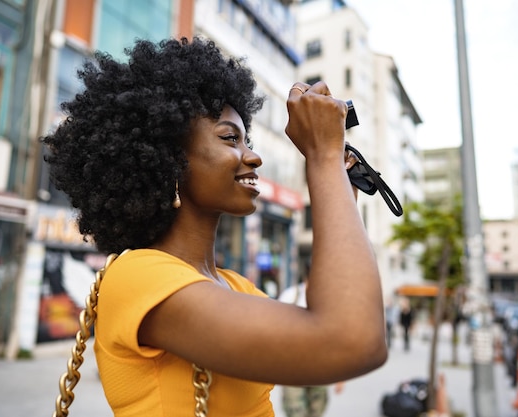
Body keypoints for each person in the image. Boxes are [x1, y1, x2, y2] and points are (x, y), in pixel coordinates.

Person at [42, 36, 386, 416]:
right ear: (170, 161)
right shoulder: (139, 278)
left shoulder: (236, 287)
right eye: (230, 138)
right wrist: (321, 158)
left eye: (247, 140)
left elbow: (338, 314)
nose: (252, 156)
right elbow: (352, 341)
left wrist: (336, 170)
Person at [278, 262, 345, 417]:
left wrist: (341, 377)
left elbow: (336, 339)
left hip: (319, 370)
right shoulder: (290, 296)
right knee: (296, 412)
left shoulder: (329, 302)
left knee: (316, 412)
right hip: (292, 370)